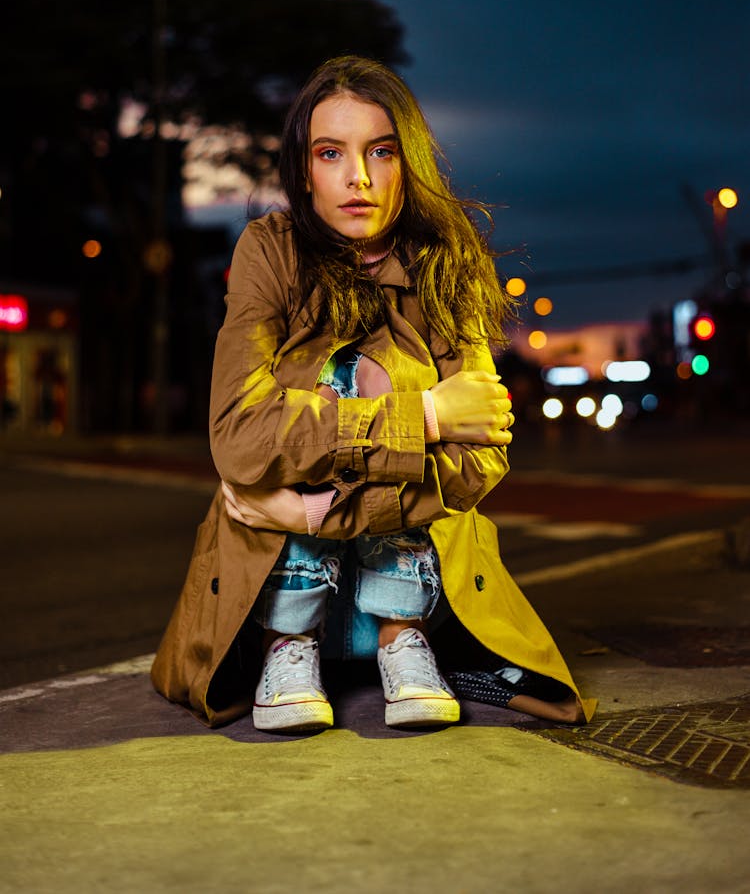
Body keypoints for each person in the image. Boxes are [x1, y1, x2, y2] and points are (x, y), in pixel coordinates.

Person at [151, 56, 594, 732]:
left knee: (359, 387)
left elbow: (482, 460)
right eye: (332, 153)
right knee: (323, 376)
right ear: (305, 169)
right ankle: (287, 647)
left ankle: (399, 643)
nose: (358, 178)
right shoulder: (270, 252)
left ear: (405, 161)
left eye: (380, 152)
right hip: (279, 594)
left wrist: (297, 511)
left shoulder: (446, 258)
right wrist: (424, 418)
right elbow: (237, 435)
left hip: (413, 601)